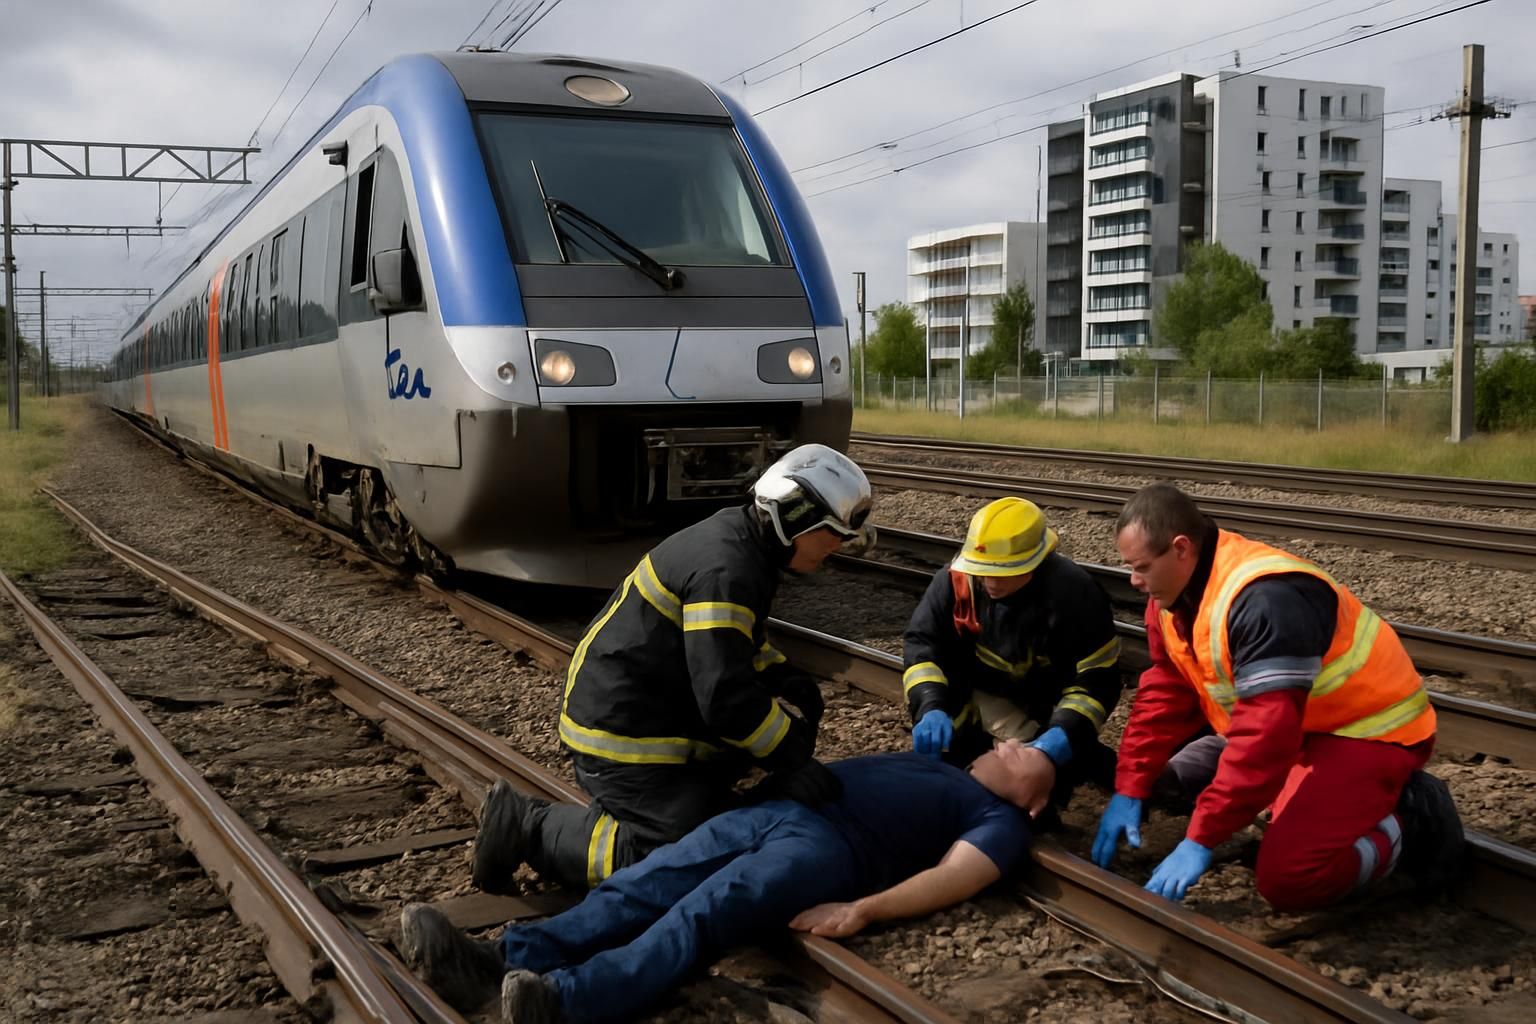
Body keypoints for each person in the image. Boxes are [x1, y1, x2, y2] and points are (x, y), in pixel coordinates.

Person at [473, 443, 875, 894]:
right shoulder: (729, 569)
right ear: (793, 517)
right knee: (679, 854)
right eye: (831, 533)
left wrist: (782, 676)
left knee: (729, 816)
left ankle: (694, 801)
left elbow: (731, 643)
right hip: (621, 737)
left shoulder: (740, 543)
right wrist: (791, 754)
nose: (836, 547)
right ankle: (527, 827)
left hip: (647, 711)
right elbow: (725, 700)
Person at [400, 746, 1037, 1023]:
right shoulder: (948, 765)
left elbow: (955, 877)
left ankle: (569, 1002)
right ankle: (498, 961)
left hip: (827, 850)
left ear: (1033, 800)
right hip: (778, 810)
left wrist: (864, 910)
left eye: (1023, 754)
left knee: (700, 915)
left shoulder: (1002, 822)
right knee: (644, 883)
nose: (1008, 743)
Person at [1092, 482, 1464, 911]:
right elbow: (1166, 691)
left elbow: (1264, 737)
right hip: (1303, 730)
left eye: (1141, 567)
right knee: (1172, 782)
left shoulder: (1265, 600)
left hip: (1368, 735)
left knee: (1290, 879)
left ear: (1180, 549)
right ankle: (1296, 793)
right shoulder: (1173, 597)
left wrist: (1202, 838)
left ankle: (1410, 819)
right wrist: (1131, 786)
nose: (1133, 581)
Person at [902, 496, 1122, 818]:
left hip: (1048, 698)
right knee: (961, 749)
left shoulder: (1075, 595)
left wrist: (1062, 734)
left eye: (1002, 572)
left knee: (1061, 766)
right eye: (982, 571)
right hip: (974, 690)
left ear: (1037, 562)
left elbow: (1096, 679)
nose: (990, 582)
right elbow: (923, 646)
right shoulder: (955, 582)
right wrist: (931, 705)